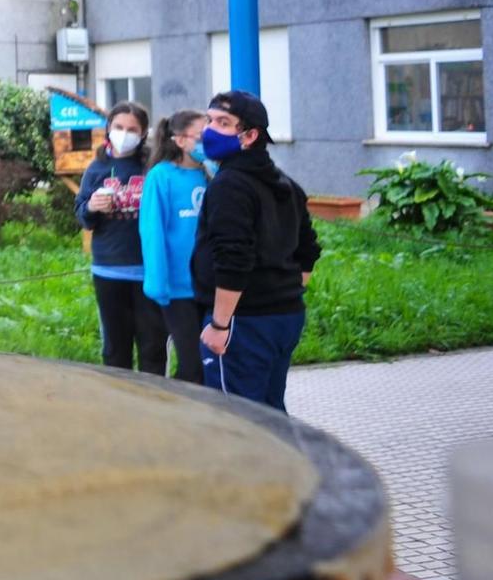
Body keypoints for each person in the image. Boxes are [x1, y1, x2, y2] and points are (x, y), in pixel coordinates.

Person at [193, 90, 320, 412]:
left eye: (223, 123)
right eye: (209, 120)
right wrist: (282, 291)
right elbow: (308, 253)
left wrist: (221, 325)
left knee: (236, 419)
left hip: (243, 322)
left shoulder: (230, 185)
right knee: (270, 412)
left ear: (249, 136)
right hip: (285, 315)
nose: (210, 130)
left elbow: (234, 259)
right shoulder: (285, 183)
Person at [74, 100, 166, 375]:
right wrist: (91, 207)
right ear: (108, 129)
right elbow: (82, 215)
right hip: (108, 269)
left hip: (148, 271)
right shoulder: (97, 168)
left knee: (153, 346)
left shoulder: (153, 167)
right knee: (115, 349)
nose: (124, 133)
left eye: (132, 129)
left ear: (143, 133)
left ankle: (153, 404)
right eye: (118, 127)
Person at [139, 109, 209, 383]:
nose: (208, 142)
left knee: (208, 365)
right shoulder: (162, 176)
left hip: (211, 288)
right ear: (180, 140)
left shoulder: (212, 174)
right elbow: (152, 230)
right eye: (202, 136)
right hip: (178, 289)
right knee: (192, 366)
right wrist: (158, 282)